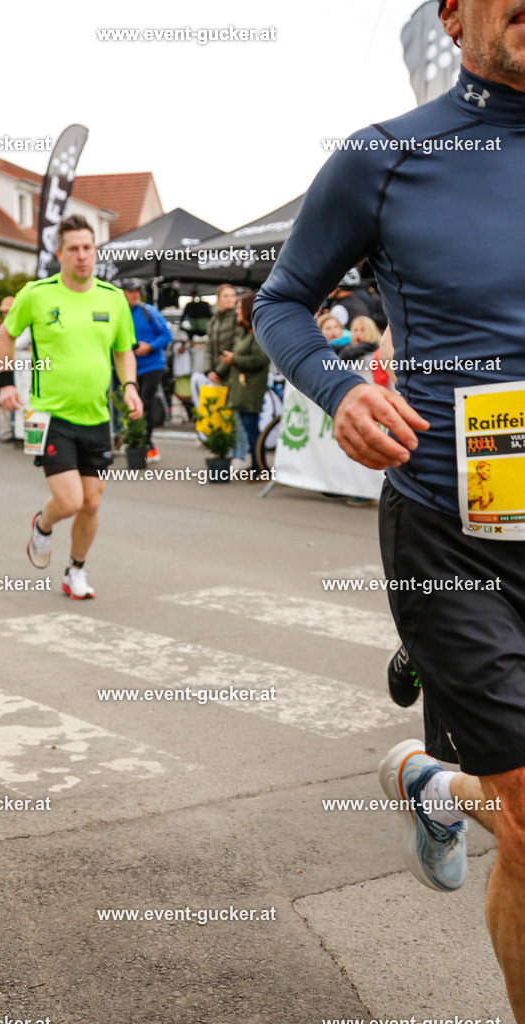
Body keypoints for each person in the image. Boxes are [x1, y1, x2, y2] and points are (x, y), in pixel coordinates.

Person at [255, 1, 525, 1017]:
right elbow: (280, 299)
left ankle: (427, 781)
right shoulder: (387, 157)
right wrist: (339, 387)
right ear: (452, 14)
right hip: (452, 535)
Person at [0, 214, 143, 599]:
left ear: (95, 252)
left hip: (96, 416)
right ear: (59, 253)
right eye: (74, 249)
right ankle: (43, 525)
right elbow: (6, 335)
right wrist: (6, 383)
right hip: (49, 415)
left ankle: (75, 571)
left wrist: (130, 386)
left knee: (91, 503)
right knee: (70, 500)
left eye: (88, 248)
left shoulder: (112, 299)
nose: (82, 256)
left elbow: (123, 350)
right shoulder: (37, 294)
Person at [217, 291, 269, 478]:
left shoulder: (257, 333)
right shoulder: (247, 332)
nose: (237, 310)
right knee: (249, 428)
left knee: (252, 428)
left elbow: (259, 359)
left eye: (240, 307)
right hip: (243, 388)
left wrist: (234, 359)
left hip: (251, 388)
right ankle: (257, 465)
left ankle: (260, 467)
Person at [122, 279, 172, 464]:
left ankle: (147, 444)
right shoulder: (121, 313)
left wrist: (149, 346)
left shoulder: (149, 311)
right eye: (131, 291)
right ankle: (138, 442)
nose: (135, 294)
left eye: (137, 291)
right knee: (132, 405)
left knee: (146, 403)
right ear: (124, 293)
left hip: (152, 365)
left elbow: (166, 336)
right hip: (130, 367)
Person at [190, 284, 238, 408]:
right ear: (218, 299)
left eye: (233, 295)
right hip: (215, 375)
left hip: (232, 373)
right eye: (226, 296)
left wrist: (218, 371)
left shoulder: (238, 318)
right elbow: (209, 348)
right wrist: (209, 371)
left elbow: (236, 347)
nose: (230, 299)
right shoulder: (214, 320)